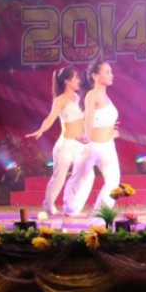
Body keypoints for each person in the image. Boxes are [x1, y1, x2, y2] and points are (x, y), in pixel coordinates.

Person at [26, 66, 94, 217]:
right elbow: (50, 118)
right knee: (59, 177)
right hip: (66, 145)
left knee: (88, 175)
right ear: (67, 81)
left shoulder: (79, 97)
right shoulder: (60, 100)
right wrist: (41, 130)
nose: (79, 80)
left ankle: (73, 208)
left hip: (80, 145)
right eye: (75, 78)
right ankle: (49, 205)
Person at [64, 59, 120, 217]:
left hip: (108, 147)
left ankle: (99, 215)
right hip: (92, 147)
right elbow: (88, 119)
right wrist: (87, 136)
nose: (111, 75)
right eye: (107, 72)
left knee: (113, 183)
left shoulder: (106, 96)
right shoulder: (92, 95)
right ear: (95, 76)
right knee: (78, 180)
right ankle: (68, 208)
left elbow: (102, 120)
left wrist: (112, 131)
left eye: (111, 72)